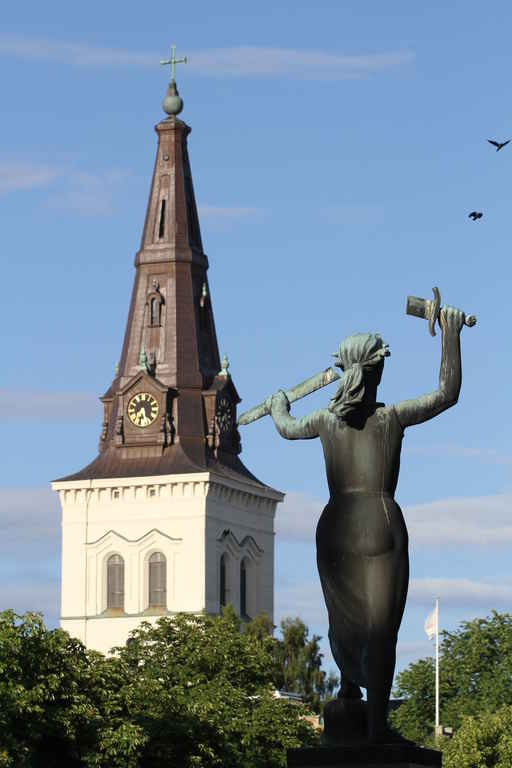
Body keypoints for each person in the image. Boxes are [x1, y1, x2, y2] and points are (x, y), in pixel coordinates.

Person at [269, 306, 465, 743]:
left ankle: (348, 693)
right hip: (379, 521)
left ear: (343, 371)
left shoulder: (324, 421)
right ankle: (375, 728)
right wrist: (450, 333)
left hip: (335, 527)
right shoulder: (391, 417)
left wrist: (279, 404)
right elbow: (446, 393)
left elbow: (284, 426)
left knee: (344, 618)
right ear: (377, 372)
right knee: (379, 628)